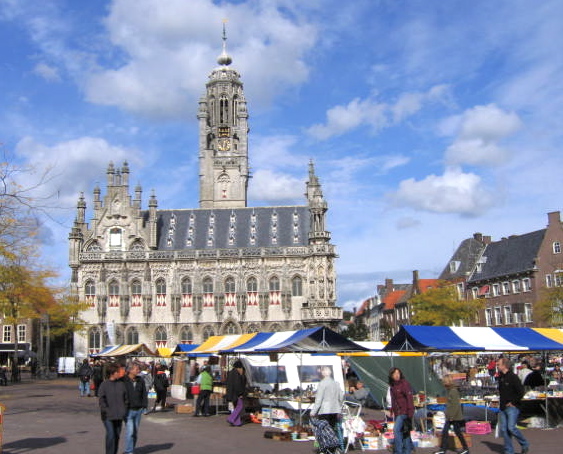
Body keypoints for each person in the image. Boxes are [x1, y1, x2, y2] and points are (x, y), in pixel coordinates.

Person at [497, 357, 529, 454]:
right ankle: (509, 451)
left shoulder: (513, 377)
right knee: (504, 429)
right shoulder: (500, 377)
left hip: (512, 407)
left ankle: (524, 443)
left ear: (504, 366)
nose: (497, 366)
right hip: (502, 407)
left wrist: (513, 402)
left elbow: (521, 392)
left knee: (511, 427)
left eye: (499, 364)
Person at [310, 366, 344, 450]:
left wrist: (313, 412)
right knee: (332, 428)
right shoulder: (336, 383)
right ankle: (333, 446)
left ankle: (325, 447)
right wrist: (339, 406)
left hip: (324, 410)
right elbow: (341, 397)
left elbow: (319, 400)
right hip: (335, 409)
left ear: (323, 373)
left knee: (323, 429)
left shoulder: (322, 383)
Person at [434, 375, 469, 454]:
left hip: (453, 417)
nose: (443, 383)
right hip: (451, 416)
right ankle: (464, 448)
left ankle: (443, 449)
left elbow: (455, 405)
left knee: (447, 431)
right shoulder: (450, 390)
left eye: (444, 382)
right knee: (455, 431)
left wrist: (451, 416)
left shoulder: (453, 391)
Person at [98, 362, 128, 454]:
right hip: (108, 415)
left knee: (117, 436)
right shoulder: (104, 385)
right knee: (111, 435)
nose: (119, 374)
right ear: (112, 373)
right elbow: (102, 399)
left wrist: (124, 410)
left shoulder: (121, 384)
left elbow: (126, 398)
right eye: (117, 372)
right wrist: (106, 410)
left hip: (119, 415)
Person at [388, 367, 414, 454]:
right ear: (391, 375)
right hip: (397, 412)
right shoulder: (392, 386)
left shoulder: (404, 384)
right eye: (394, 373)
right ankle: (407, 451)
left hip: (404, 411)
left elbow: (409, 398)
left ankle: (398, 451)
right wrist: (391, 410)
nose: (396, 375)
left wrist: (410, 411)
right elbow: (393, 399)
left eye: (398, 373)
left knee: (396, 430)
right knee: (405, 431)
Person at [124, 362, 148, 454]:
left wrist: (144, 406)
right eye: (136, 369)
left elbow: (143, 394)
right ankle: (129, 451)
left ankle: (131, 449)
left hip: (138, 409)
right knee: (130, 432)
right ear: (130, 370)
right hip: (128, 410)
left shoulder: (140, 380)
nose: (138, 370)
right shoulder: (124, 381)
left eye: (139, 369)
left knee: (134, 433)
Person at [226, 360, 247, 426]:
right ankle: (231, 418)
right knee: (240, 406)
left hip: (231, 393)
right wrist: (240, 393)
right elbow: (237, 384)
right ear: (239, 367)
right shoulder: (236, 374)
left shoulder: (230, 373)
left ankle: (237, 422)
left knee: (236, 407)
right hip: (236, 394)